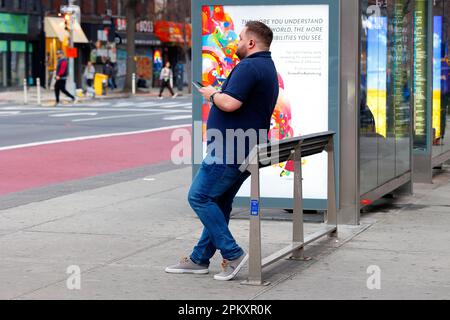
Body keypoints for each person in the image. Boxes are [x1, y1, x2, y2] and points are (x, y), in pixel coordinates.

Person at [165, 21, 279, 281]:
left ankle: (234, 254)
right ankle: (199, 259)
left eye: (240, 38)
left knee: (199, 197)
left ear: (251, 42)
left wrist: (211, 94)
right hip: (246, 148)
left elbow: (230, 103)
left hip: (230, 149)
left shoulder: (249, 66)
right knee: (219, 203)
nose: (236, 42)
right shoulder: (267, 66)